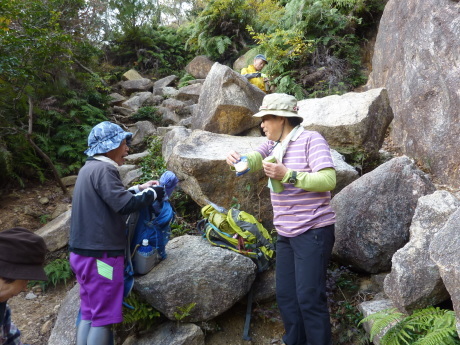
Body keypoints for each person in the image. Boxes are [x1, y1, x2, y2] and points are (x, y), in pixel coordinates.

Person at [226, 93, 336, 345]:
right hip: (286, 233)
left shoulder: (311, 140)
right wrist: (236, 161)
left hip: (313, 230)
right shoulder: (271, 146)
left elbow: (328, 180)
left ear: (283, 119)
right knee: (287, 296)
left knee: (309, 297)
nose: (262, 124)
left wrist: (288, 175)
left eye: (266, 119)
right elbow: (251, 160)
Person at [69, 121, 165, 345]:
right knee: (103, 318)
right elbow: (124, 206)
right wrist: (153, 193)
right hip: (100, 257)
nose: (127, 149)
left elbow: (110, 199)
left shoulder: (88, 169)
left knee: (90, 312)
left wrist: (138, 189)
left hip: (82, 255)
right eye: (123, 143)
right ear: (109, 146)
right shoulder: (105, 169)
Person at [0, 227, 48, 345]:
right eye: (26, 278)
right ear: (9, 273)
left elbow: (11, 340)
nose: (25, 287)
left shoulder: (3, 308)